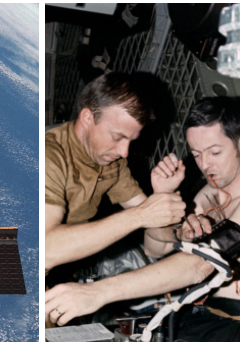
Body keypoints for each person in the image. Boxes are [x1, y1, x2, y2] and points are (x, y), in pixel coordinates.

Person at [45, 97, 240, 336]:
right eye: (196, 154)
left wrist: (97, 293)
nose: (205, 164)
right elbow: (155, 248)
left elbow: (201, 264)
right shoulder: (209, 194)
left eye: (215, 152)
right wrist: (162, 194)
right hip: (208, 315)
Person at [44, 72, 187, 270]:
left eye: (130, 140)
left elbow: (152, 226)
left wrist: (183, 230)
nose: (124, 152)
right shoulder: (49, 156)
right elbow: (45, 249)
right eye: (117, 137)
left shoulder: (110, 161)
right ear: (87, 118)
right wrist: (139, 215)